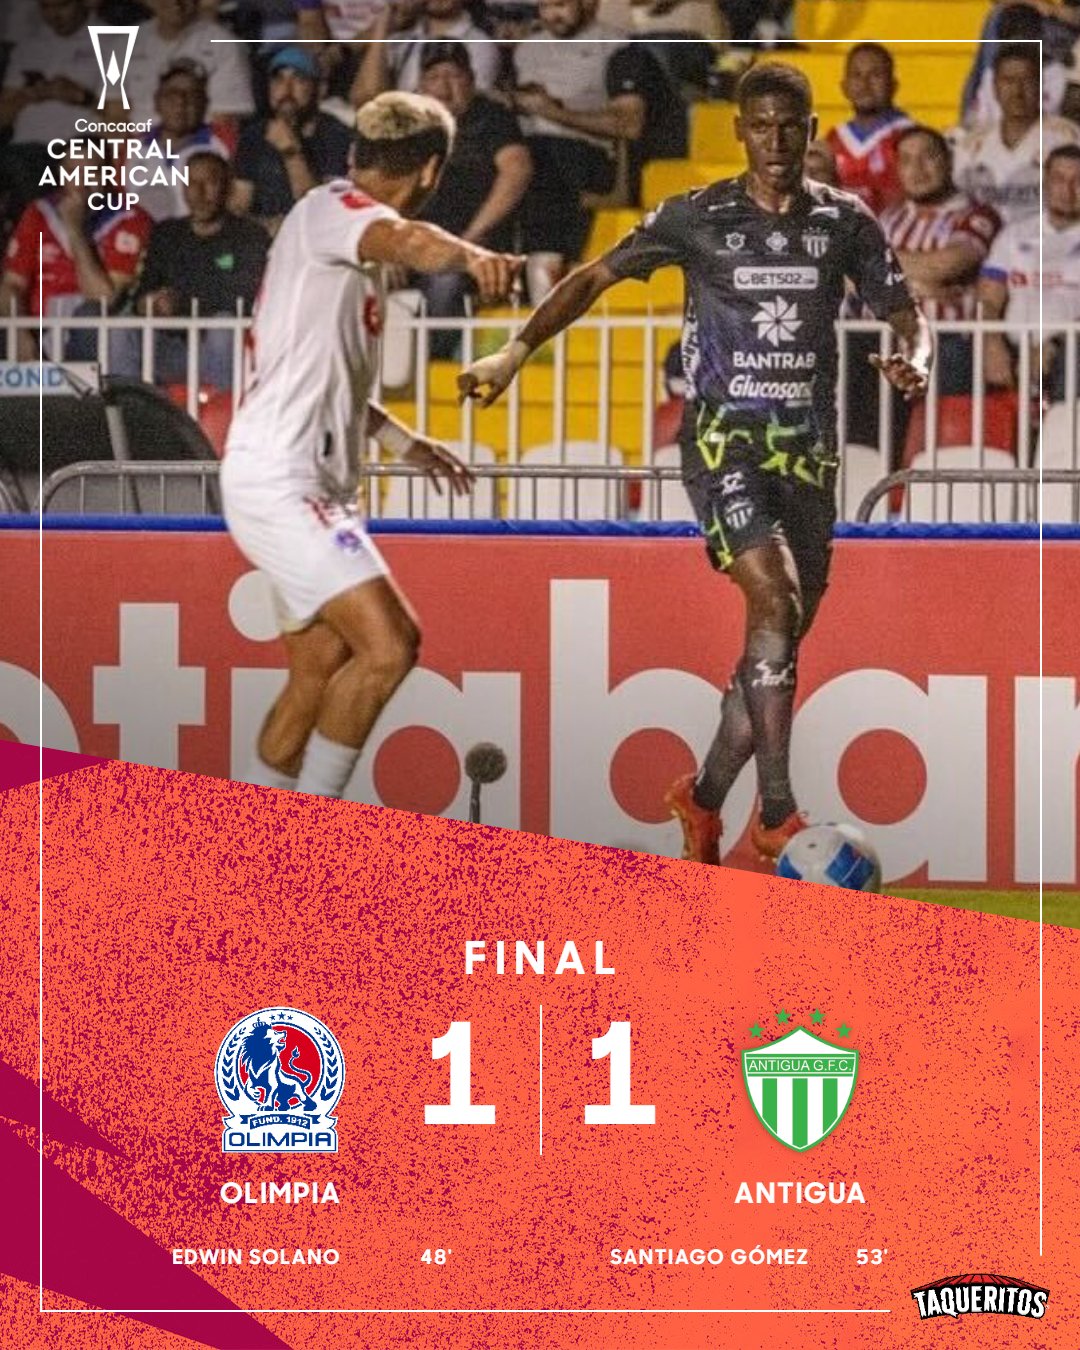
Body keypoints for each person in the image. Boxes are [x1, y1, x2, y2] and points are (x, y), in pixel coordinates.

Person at [459, 62, 931, 865]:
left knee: (776, 642)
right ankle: (775, 813)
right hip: (722, 444)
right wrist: (514, 350)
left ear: (811, 131)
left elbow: (905, 311)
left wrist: (913, 356)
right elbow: (594, 276)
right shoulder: (696, 216)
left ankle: (703, 799)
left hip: (808, 455)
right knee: (775, 598)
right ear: (740, 131)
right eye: (761, 126)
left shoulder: (844, 221)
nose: (776, 141)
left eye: (791, 126)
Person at [221, 92, 522, 799]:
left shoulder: (330, 234)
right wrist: (475, 256)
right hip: (283, 481)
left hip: (299, 478)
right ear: (431, 172)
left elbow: (334, 381)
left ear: (359, 150)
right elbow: (412, 243)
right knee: (390, 646)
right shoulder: (333, 210)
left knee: (317, 670)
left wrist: (404, 442)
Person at [414, 42, 532, 356]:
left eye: (453, 76)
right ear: (420, 86)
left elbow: (517, 169)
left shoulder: (491, 118)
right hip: (412, 242)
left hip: (471, 248)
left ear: (471, 80)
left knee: (445, 281)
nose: (443, 87)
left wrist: (471, 237)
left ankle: (429, 369)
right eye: (434, 77)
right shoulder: (409, 126)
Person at [510, 0, 650, 262]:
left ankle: (547, 268)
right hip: (525, 146)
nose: (552, 15)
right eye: (544, 7)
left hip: (585, 152)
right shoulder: (527, 48)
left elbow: (629, 125)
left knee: (541, 169)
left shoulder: (617, 46)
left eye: (561, 5)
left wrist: (552, 112)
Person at [119, 152, 268, 388]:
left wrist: (181, 304)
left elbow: (244, 299)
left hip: (224, 348)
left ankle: (222, 409)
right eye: (191, 183)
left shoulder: (249, 236)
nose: (199, 192)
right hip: (170, 347)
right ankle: (126, 405)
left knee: (223, 325)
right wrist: (149, 303)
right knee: (122, 326)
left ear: (227, 187)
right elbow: (143, 290)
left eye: (209, 182)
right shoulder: (166, 234)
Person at [0, 143, 152, 362]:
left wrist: (74, 230)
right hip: (36, 330)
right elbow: (11, 285)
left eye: (91, 172)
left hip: (92, 336)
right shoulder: (38, 213)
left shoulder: (131, 219)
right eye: (72, 172)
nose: (81, 183)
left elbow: (103, 299)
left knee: (91, 316)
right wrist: (19, 332)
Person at [881, 125, 1000, 394]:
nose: (917, 169)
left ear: (949, 161)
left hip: (947, 345)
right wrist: (916, 288)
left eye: (928, 156)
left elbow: (944, 266)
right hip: (884, 343)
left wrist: (879, 266)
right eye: (907, 160)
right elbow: (849, 273)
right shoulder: (888, 218)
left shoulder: (976, 215)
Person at [978, 144, 1080, 401]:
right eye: (1059, 179)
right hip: (1013, 347)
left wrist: (1055, 344)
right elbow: (989, 299)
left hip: (1069, 349)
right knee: (958, 351)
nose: (1068, 190)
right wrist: (991, 342)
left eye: (1078, 181)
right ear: (1045, 182)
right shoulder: (1014, 234)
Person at [952, 43, 1080, 226]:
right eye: (1008, 81)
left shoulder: (1068, 138)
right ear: (995, 87)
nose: (1017, 91)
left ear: (1041, 85)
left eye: (1027, 80)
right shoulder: (970, 144)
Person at [232, 46, 352, 233]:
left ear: (320, 89)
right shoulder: (253, 136)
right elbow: (238, 207)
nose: (286, 90)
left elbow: (323, 211)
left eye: (299, 79)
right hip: (263, 238)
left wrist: (291, 153)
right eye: (278, 79)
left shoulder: (337, 136)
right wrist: (264, 227)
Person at [122, 0, 255, 128]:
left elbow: (224, 118)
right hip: (137, 138)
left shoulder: (225, 45)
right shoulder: (124, 43)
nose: (175, 2)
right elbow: (115, 113)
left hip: (200, 139)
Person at [351, 0, 501, 107]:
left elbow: (466, 108)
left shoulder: (480, 44)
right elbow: (364, 99)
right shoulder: (401, 40)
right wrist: (386, 20)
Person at [824, 43, 912, 217]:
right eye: (857, 75)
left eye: (876, 75)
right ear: (844, 86)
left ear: (893, 85)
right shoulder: (832, 139)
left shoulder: (909, 137)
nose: (865, 84)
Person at [137, 60, 231, 222]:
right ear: (157, 101)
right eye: (172, 94)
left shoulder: (226, 143)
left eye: (191, 95)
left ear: (205, 103)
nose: (181, 102)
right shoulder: (130, 148)